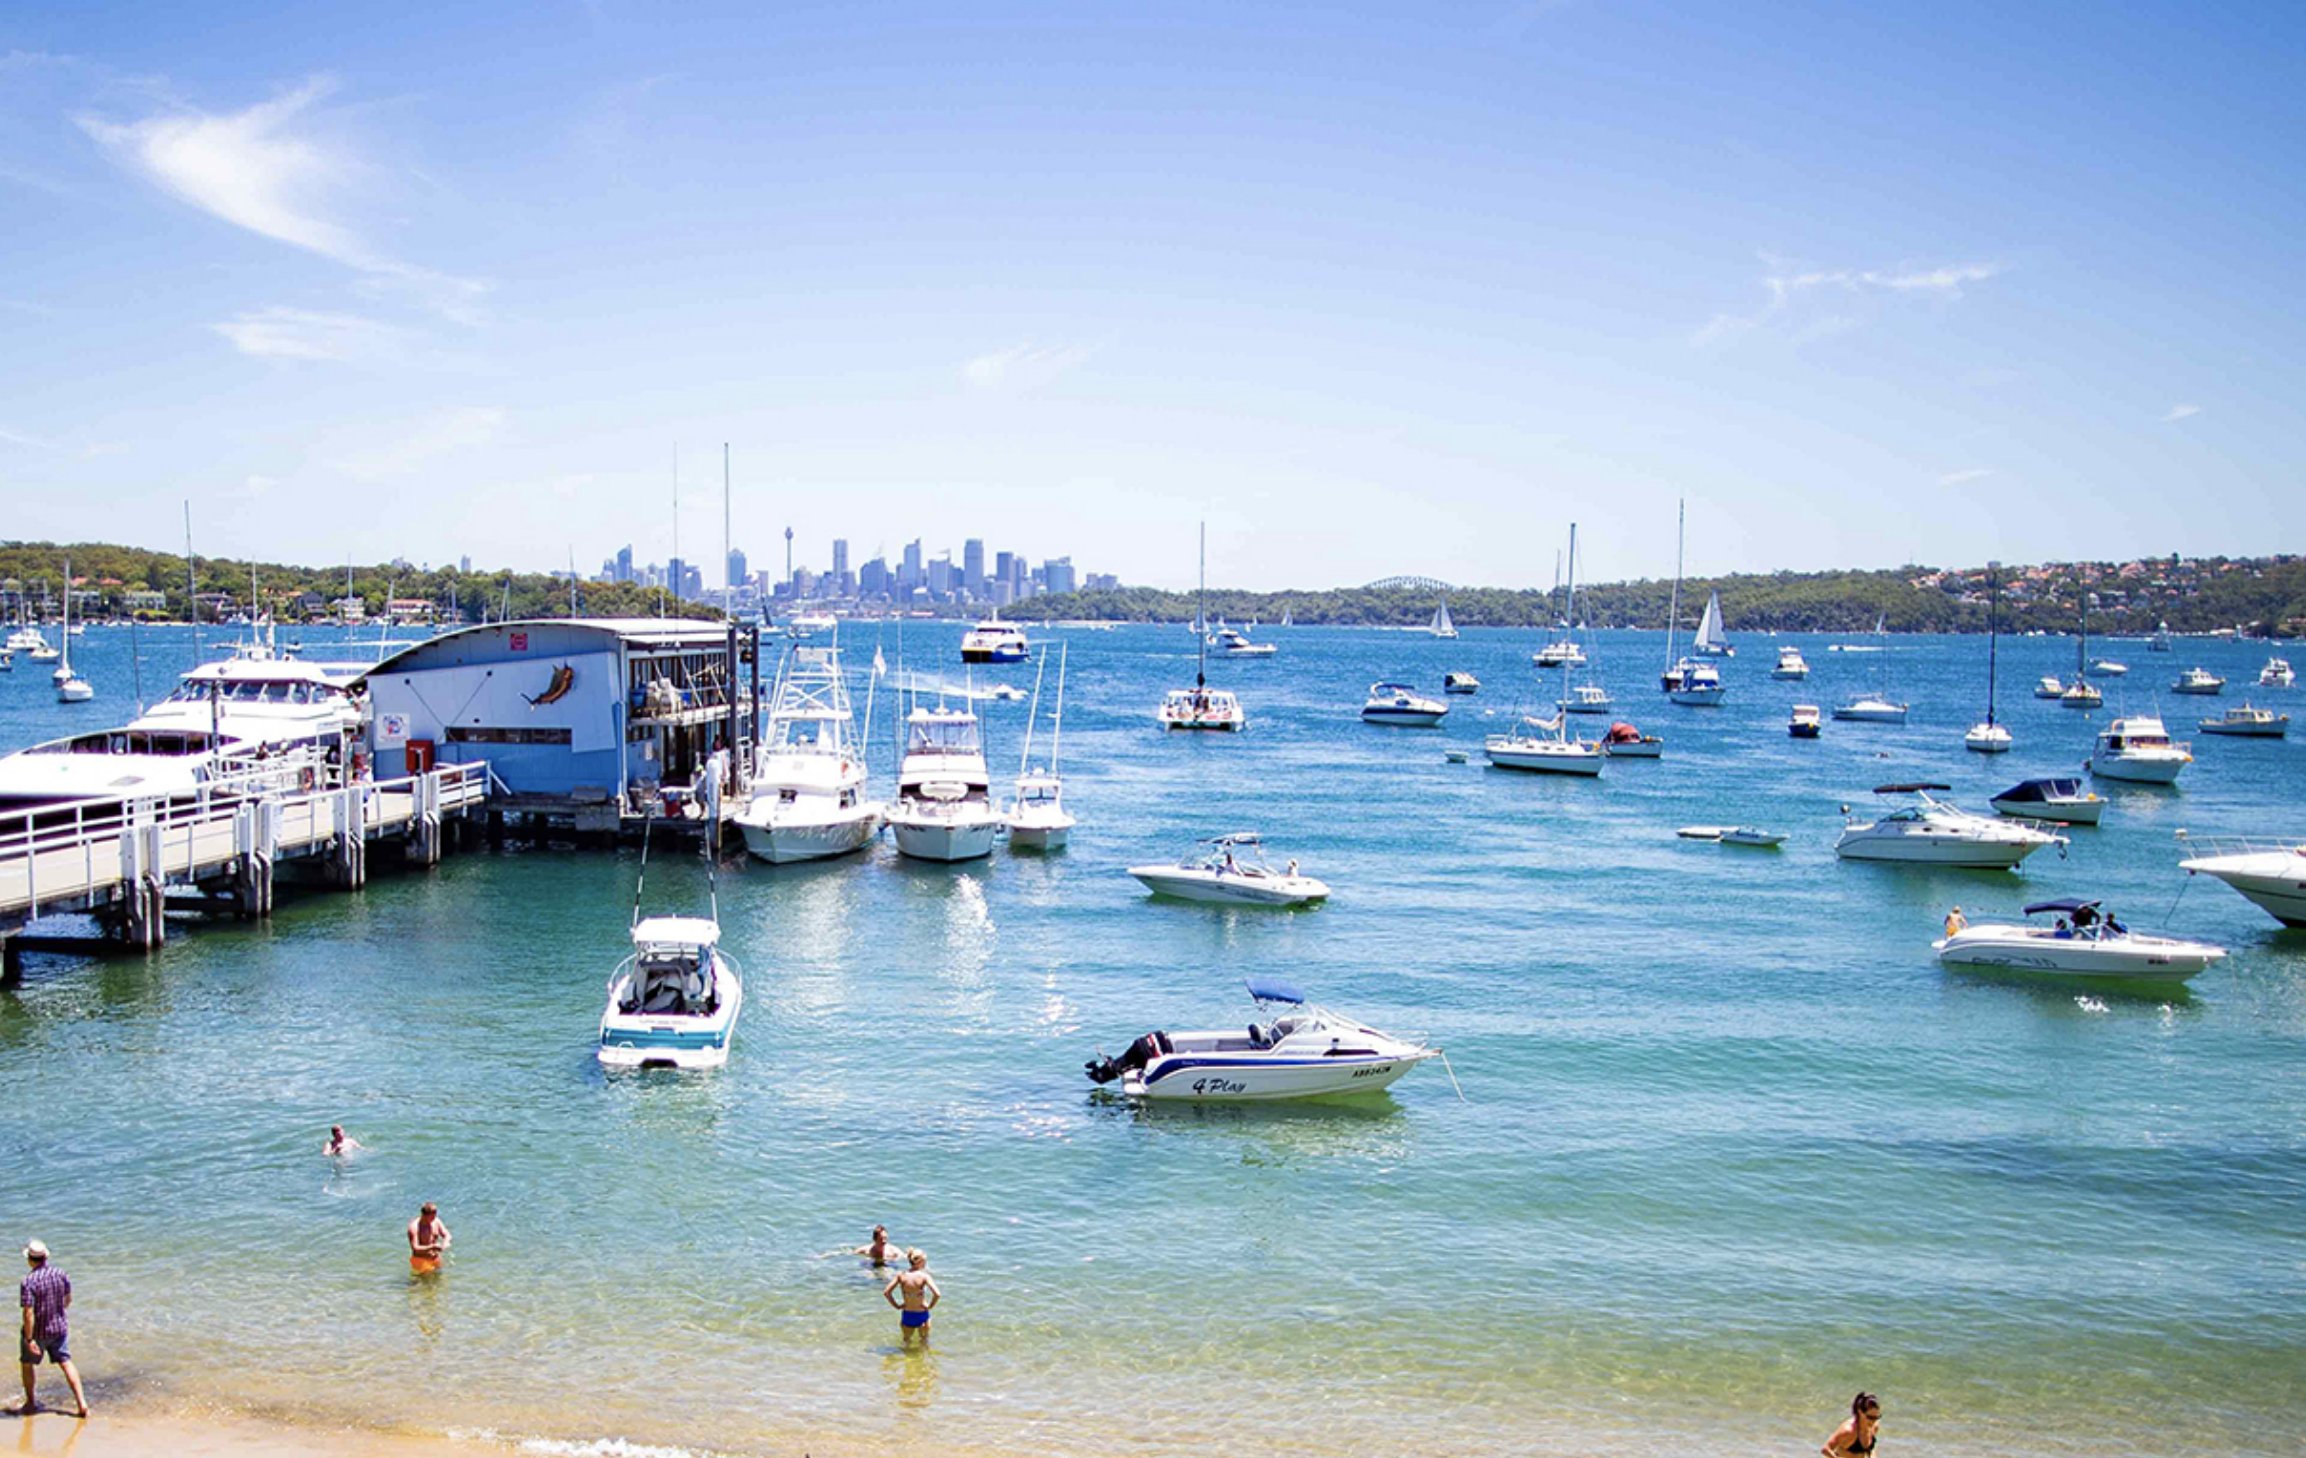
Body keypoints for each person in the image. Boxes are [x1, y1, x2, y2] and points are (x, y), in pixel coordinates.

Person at [13, 1240, 87, 1419]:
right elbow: (67, 1300)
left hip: (38, 1333)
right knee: (66, 1362)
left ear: (30, 1260)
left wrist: (29, 1340)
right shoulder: (60, 1274)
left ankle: (31, 1403)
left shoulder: (28, 1282)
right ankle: (82, 1403)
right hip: (59, 1328)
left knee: (27, 1364)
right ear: (46, 1256)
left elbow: (28, 1313)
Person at [883, 1248, 941, 1346]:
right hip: (921, 1313)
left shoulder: (901, 1276)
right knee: (924, 1343)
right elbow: (937, 1294)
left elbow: (887, 1292)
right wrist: (930, 1306)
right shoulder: (924, 1276)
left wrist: (896, 1306)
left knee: (906, 1342)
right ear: (921, 1262)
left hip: (907, 1314)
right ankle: (922, 1361)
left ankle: (906, 1360)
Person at [1822, 1391, 1881, 1456]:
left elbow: (1871, 1448)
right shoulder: (1848, 1431)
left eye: (1876, 1417)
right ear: (1860, 1412)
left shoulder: (1874, 1427)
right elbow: (1826, 1449)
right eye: (1870, 1417)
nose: (1873, 1421)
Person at [407, 1203, 450, 1275]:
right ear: (424, 1215)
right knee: (423, 1282)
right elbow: (415, 1247)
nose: (434, 1219)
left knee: (439, 1279)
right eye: (431, 1217)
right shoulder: (414, 1227)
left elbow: (447, 1234)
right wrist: (432, 1247)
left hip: (435, 1258)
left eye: (435, 1215)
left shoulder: (436, 1221)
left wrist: (444, 1243)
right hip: (420, 1260)